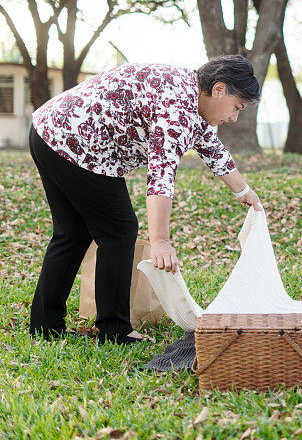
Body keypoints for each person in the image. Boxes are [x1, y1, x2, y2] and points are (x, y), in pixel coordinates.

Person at [28, 55, 262, 345]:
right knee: (119, 229)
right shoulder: (178, 109)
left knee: (72, 233)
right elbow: (161, 177)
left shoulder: (190, 93)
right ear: (219, 90)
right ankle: (114, 331)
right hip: (78, 142)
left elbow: (212, 149)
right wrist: (160, 241)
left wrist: (244, 192)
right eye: (236, 107)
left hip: (48, 131)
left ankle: (45, 325)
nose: (234, 117)